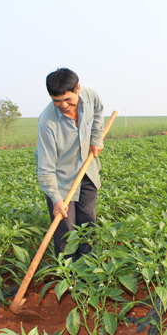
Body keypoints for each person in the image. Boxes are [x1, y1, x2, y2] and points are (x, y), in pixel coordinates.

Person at [35, 68, 104, 261]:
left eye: (68, 99)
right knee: (65, 230)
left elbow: (98, 110)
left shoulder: (89, 95)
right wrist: (56, 199)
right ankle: (70, 275)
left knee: (88, 222)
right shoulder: (47, 123)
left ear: (78, 89)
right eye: (57, 101)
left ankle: (88, 268)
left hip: (88, 170)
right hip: (62, 179)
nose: (64, 105)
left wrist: (96, 138)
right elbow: (45, 167)